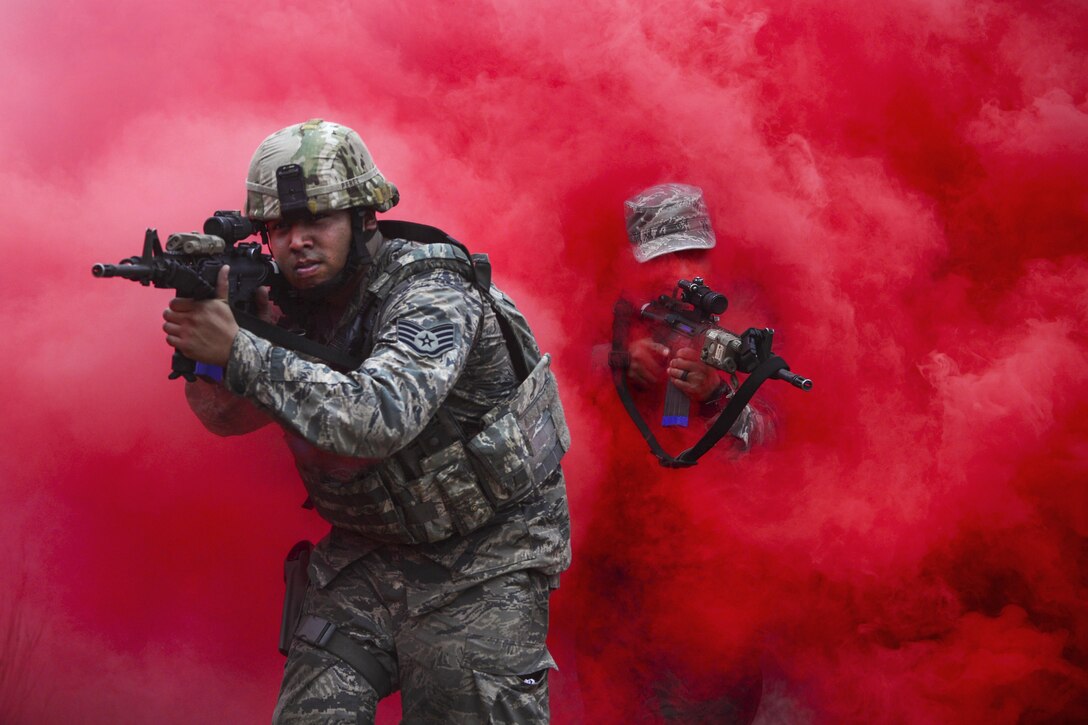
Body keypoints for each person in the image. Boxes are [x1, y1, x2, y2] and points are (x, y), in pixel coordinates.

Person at [161, 119, 572, 724]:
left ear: (364, 218)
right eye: (280, 227)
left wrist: (243, 350)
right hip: (368, 554)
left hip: (485, 557)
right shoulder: (290, 302)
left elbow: (377, 418)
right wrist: (212, 345)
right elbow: (226, 419)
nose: (298, 241)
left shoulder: (431, 288)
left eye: (318, 221)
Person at [622, 182, 773, 451]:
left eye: (691, 254)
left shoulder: (750, 312)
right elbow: (564, 365)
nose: (679, 270)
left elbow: (776, 439)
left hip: (715, 485)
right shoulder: (625, 307)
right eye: (661, 258)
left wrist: (715, 395)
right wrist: (621, 359)